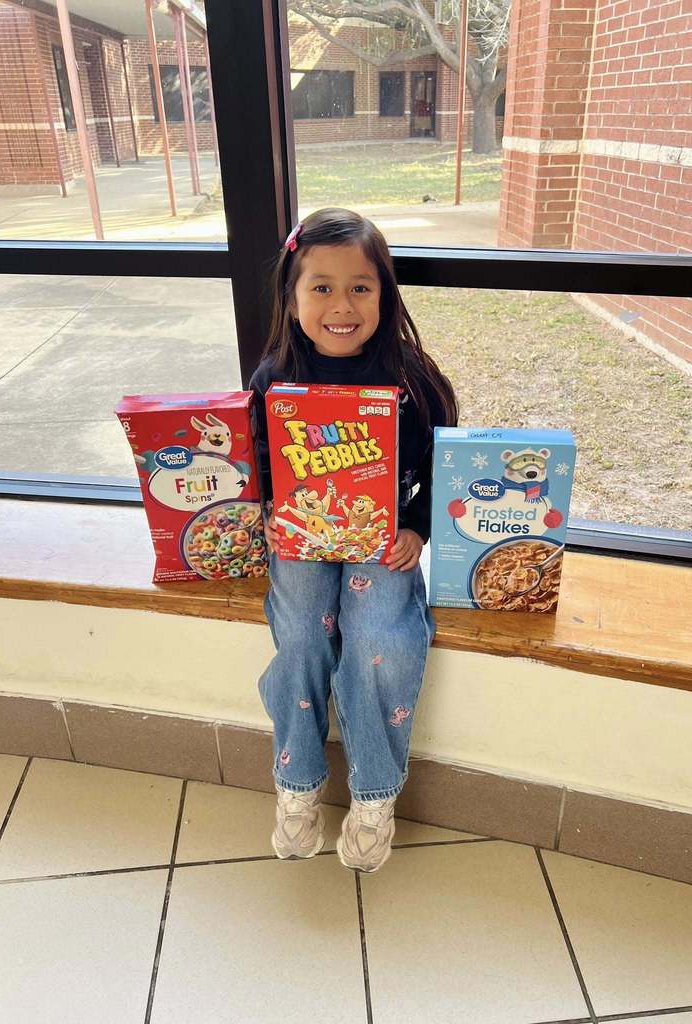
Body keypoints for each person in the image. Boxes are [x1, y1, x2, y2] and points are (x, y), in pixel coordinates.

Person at [249, 207, 458, 873]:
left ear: (384, 294)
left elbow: (443, 471)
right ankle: (298, 783)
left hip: (381, 540)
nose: (342, 305)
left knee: (375, 644)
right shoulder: (273, 376)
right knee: (304, 639)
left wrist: (417, 529)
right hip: (303, 537)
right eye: (321, 287)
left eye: (360, 287)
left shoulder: (412, 379)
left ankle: (372, 797)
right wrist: (268, 512)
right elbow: (255, 462)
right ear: (292, 294)